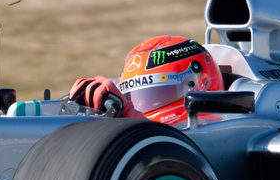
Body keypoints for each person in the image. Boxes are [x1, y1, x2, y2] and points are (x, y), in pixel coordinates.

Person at [69, 36, 223, 125]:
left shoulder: (224, 128)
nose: (140, 105)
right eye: (136, 97)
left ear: (202, 84)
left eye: (159, 94)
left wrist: (130, 117)